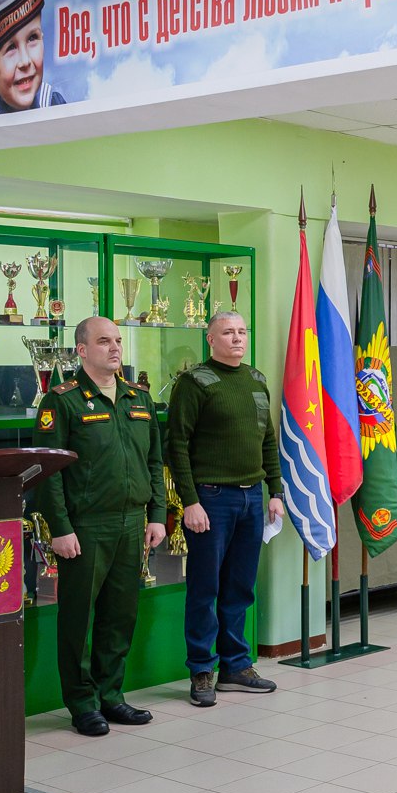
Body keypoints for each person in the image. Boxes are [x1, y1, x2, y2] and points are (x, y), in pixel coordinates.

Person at [34, 317, 166, 737]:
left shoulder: (137, 397)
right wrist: (60, 527)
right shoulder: (63, 400)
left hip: (132, 522)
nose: (114, 348)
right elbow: (47, 472)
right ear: (81, 351)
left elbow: (154, 462)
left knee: (119, 615)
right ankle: (81, 703)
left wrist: (158, 515)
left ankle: (112, 695)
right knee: (78, 619)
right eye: (104, 341)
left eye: (118, 341)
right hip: (86, 526)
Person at [166, 311, 283, 707]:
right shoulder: (195, 382)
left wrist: (276, 491)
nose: (237, 339)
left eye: (242, 332)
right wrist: (190, 501)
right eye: (228, 332)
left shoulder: (256, 380)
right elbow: (177, 445)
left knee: (239, 588)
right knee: (205, 588)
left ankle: (236, 666)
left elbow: (268, 440)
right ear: (210, 339)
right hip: (211, 499)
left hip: (253, 498)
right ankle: (202, 670)